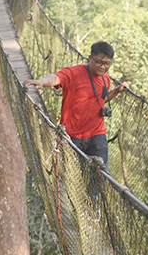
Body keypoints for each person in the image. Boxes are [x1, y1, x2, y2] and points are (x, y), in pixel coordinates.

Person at [24, 41, 130, 174]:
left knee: (101, 174)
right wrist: (42, 82)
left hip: (97, 134)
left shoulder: (105, 79)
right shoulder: (74, 73)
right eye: (99, 62)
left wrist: (117, 91)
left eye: (107, 63)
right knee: (70, 176)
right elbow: (57, 78)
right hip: (72, 136)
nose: (103, 67)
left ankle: (96, 195)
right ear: (90, 58)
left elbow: (100, 100)